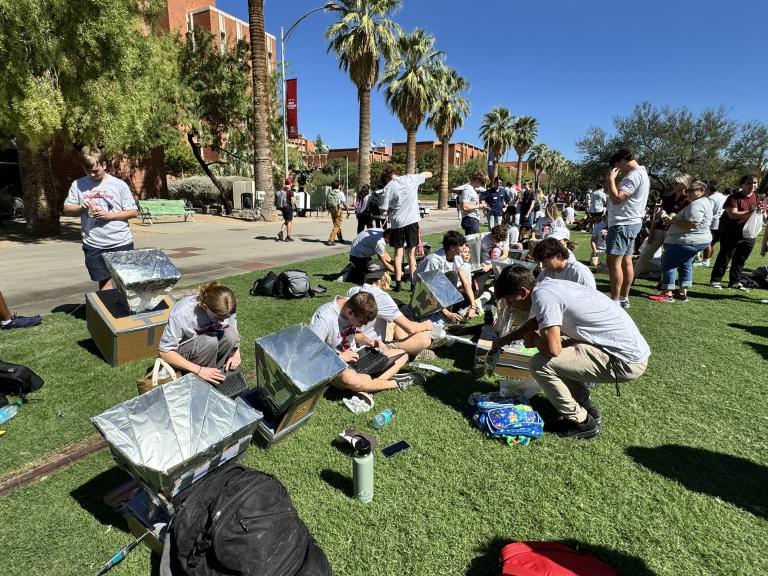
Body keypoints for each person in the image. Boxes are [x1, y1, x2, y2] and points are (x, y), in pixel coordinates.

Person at [492, 266, 650, 439]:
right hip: (620, 350)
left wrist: (534, 340)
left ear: (523, 292)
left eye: (509, 299)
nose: (509, 304)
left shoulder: (543, 298)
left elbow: (553, 350)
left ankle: (583, 423)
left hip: (624, 361)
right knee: (561, 356)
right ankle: (586, 407)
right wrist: (503, 341)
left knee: (540, 363)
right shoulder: (546, 288)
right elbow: (536, 322)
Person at [309, 291, 422, 392]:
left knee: (402, 355)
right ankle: (394, 383)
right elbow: (310, 350)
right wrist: (339, 357)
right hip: (335, 364)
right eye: (361, 322)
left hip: (357, 356)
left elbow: (354, 333)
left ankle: (367, 385)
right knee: (350, 379)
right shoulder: (325, 318)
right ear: (350, 312)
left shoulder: (352, 306)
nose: (363, 325)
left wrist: (368, 341)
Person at [62, 147, 138, 289]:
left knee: (126, 282)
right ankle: (108, 309)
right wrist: (81, 208)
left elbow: (133, 212)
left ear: (104, 165)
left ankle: (128, 310)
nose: (92, 174)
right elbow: (67, 209)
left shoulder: (119, 185)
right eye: (88, 171)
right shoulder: (78, 184)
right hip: (94, 244)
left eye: (95, 171)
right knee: (104, 282)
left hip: (120, 242)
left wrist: (110, 215)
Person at [158, 282, 241, 385]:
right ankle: (200, 381)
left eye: (226, 317)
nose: (222, 320)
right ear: (205, 307)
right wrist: (199, 370)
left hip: (207, 345)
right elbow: (164, 351)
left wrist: (236, 353)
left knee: (231, 335)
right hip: (185, 350)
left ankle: (216, 375)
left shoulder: (227, 307)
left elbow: (233, 330)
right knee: (209, 340)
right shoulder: (183, 312)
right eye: (218, 318)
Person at [347, 266, 434, 359]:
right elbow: (411, 328)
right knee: (424, 338)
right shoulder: (381, 297)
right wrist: (426, 325)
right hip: (372, 346)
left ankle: (411, 350)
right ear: (383, 278)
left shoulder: (353, 290)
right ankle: (408, 351)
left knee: (397, 327)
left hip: (353, 340)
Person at [648, 181, 712, 302]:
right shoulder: (704, 202)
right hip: (698, 240)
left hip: (686, 240)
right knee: (686, 264)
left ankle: (667, 293)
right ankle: (682, 293)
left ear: (701, 191)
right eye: (687, 190)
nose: (687, 192)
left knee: (668, 264)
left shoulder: (696, 205)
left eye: (691, 190)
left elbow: (691, 223)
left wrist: (671, 220)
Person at [604, 148, 650, 308]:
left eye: (617, 166)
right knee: (626, 261)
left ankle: (615, 300)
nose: (618, 170)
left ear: (623, 160)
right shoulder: (641, 174)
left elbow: (617, 198)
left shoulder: (634, 176)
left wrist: (611, 179)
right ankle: (623, 298)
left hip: (623, 223)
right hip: (630, 222)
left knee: (613, 262)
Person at [380, 167, 433, 292]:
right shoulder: (410, 178)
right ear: (395, 173)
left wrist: (391, 210)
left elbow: (383, 211)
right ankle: (412, 284)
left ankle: (398, 285)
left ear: (386, 178)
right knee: (411, 255)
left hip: (397, 224)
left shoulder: (388, 187)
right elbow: (428, 173)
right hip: (412, 221)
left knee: (398, 255)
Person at [710, 174, 762, 290]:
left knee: (741, 259)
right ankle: (715, 280)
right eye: (749, 183)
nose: (752, 185)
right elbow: (732, 214)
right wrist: (751, 212)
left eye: (755, 183)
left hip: (748, 234)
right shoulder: (734, 197)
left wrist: (761, 211)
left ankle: (734, 281)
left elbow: (759, 215)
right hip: (730, 232)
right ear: (742, 185)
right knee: (725, 257)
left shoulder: (757, 197)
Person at [634, 174, 691, 279]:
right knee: (645, 254)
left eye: (676, 183)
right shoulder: (668, 198)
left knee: (668, 258)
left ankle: (664, 282)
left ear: (684, 185)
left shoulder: (688, 201)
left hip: (674, 232)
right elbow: (657, 216)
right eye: (674, 182)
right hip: (659, 230)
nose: (673, 184)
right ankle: (631, 277)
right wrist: (651, 233)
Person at [416, 230, 479, 323]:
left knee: (469, 296)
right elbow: (427, 288)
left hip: (441, 290)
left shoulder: (456, 257)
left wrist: (473, 306)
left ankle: (448, 312)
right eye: (461, 246)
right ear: (452, 247)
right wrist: (446, 312)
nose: (464, 248)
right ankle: (444, 315)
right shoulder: (434, 260)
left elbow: (466, 284)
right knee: (452, 275)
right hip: (422, 292)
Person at [697, 181, 727, 267]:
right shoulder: (723, 196)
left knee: (708, 242)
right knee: (712, 243)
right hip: (721, 222)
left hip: (713, 222)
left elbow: (708, 211)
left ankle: (705, 260)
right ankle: (708, 259)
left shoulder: (711, 198)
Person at [326, 180, 347, 246]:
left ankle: (340, 238)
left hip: (332, 210)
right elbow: (344, 203)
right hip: (338, 210)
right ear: (339, 186)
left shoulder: (330, 193)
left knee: (336, 224)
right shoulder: (340, 193)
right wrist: (347, 208)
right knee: (337, 225)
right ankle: (331, 239)